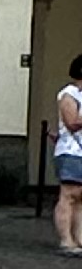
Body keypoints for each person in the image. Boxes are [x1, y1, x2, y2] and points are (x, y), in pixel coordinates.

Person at [52, 54, 82, 256]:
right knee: (69, 195)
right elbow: (72, 122)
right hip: (72, 151)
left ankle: (79, 238)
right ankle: (66, 239)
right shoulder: (69, 94)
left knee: (80, 197)